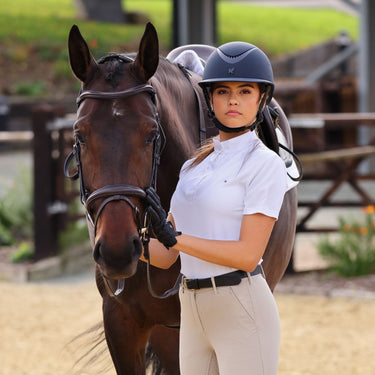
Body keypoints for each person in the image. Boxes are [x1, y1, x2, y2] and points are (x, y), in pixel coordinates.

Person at [144, 41, 296, 375]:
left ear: (261, 99)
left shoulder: (265, 164)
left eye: (245, 91)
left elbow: (246, 254)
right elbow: (165, 255)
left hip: (241, 306)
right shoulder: (192, 169)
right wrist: (130, 244)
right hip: (193, 307)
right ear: (210, 99)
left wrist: (175, 239)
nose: (233, 101)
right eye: (223, 91)